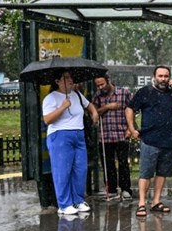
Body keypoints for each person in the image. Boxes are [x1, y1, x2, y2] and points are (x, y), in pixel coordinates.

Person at [126, 65, 172, 217]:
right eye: (160, 76)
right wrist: (132, 128)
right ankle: (141, 203)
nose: (163, 79)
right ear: (154, 77)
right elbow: (129, 109)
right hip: (149, 140)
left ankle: (156, 201)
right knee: (145, 173)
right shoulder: (145, 92)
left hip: (168, 141)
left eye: (166, 76)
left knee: (162, 173)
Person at [41, 71, 99, 216]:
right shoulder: (51, 98)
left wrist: (94, 113)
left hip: (78, 134)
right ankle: (64, 204)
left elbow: (89, 105)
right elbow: (48, 120)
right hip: (60, 135)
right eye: (65, 78)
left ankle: (78, 200)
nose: (70, 80)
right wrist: (62, 107)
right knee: (63, 170)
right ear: (57, 81)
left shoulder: (77, 94)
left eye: (70, 77)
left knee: (80, 169)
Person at [91, 74, 133, 201]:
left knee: (123, 163)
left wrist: (129, 128)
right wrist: (107, 107)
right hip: (105, 135)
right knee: (107, 164)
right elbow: (93, 113)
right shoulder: (97, 96)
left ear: (109, 81)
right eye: (98, 85)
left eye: (102, 84)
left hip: (121, 134)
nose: (100, 87)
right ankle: (112, 189)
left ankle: (126, 189)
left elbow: (131, 109)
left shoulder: (123, 92)